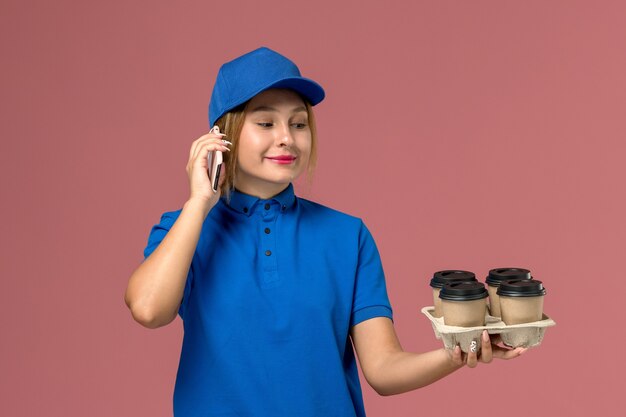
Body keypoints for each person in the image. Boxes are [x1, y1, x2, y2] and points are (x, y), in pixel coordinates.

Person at [125, 46, 526, 417]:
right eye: (266, 122)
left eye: (298, 123)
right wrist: (198, 202)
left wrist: (459, 351)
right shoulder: (185, 230)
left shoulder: (347, 236)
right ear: (221, 137)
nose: (287, 138)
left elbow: (383, 369)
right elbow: (148, 309)